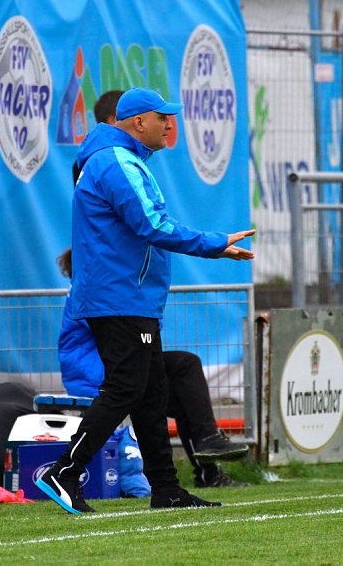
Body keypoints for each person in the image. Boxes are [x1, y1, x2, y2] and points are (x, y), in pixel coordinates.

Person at [35, 87, 254, 514]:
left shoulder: (122, 160)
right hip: (118, 298)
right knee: (126, 389)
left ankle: (167, 490)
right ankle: (63, 470)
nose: (170, 125)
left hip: (127, 297)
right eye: (163, 118)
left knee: (151, 395)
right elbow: (152, 224)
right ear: (138, 122)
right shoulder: (115, 161)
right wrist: (214, 243)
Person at [59, 248, 249, 489]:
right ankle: (204, 458)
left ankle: (207, 461)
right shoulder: (90, 291)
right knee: (183, 371)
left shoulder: (95, 286)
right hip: (94, 372)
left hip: (112, 363)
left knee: (185, 379)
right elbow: (121, 330)